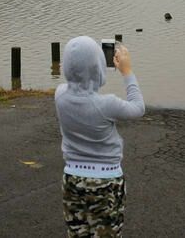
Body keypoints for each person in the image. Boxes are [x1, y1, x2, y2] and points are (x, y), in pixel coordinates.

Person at [55, 36, 145, 237]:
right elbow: (138, 108)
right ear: (98, 67)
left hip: (72, 178)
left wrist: (78, 66)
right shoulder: (107, 105)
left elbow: (74, 80)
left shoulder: (60, 96)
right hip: (105, 181)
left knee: (77, 233)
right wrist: (127, 71)